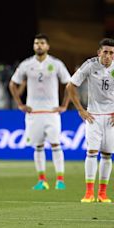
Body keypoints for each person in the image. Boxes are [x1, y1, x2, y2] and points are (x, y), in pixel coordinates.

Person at [9, 33, 71, 190]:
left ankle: (60, 180)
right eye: (36, 43)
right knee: (38, 146)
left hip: (51, 112)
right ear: (33, 46)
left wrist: (64, 105)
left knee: (56, 144)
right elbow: (12, 84)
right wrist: (20, 104)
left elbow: (69, 84)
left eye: (42, 43)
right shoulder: (26, 64)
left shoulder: (56, 64)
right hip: (33, 113)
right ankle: (42, 180)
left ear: (48, 46)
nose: (39, 45)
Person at [66, 38, 114, 203]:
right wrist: (80, 109)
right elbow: (70, 86)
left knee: (107, 155)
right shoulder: (90, 65)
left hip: (111, 118)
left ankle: (102, 194)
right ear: (99, 52)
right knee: (92, 152)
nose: (108, 56)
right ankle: (88, 193)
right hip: (93, 116)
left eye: (111, 53)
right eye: (105, 52)